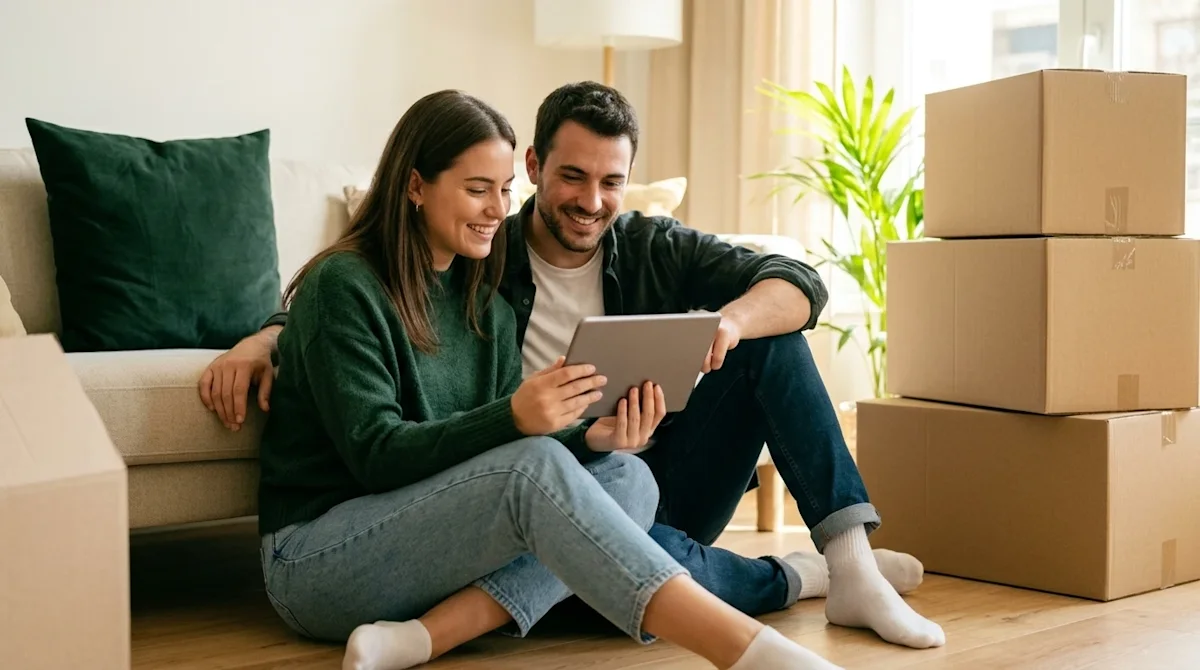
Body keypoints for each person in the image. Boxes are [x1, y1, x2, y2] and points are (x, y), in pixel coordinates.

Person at [202, 82, 943, 651]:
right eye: (570, 177)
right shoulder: (481, 264)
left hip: (618, 474)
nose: (591, 201)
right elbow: (352, 312)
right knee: (589, 543)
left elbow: (798, 282)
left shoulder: (587, 263)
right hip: (443, 512)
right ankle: (780, 595)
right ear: (533, 167)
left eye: (611, 182)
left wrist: (721, 328)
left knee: (661, 444)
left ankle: (846, 561)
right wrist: (265, 338)